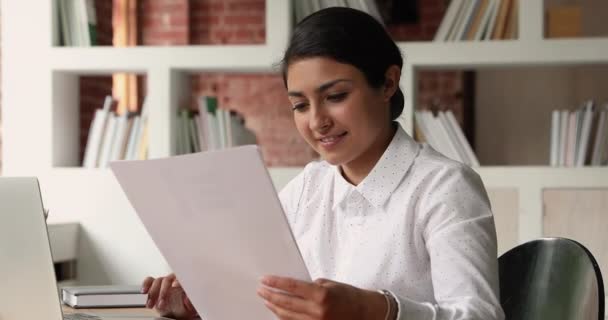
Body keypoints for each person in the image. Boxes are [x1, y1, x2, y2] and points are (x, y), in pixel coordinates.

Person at [141, 7, 505, 320]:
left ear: (388, 83)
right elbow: (267, 296)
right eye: (300, 105)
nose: (317, 121)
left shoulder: (444, 186)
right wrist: (202, 302)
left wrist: (376, 310)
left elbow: (480, 315)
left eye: (335, 96)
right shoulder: (309, 186)